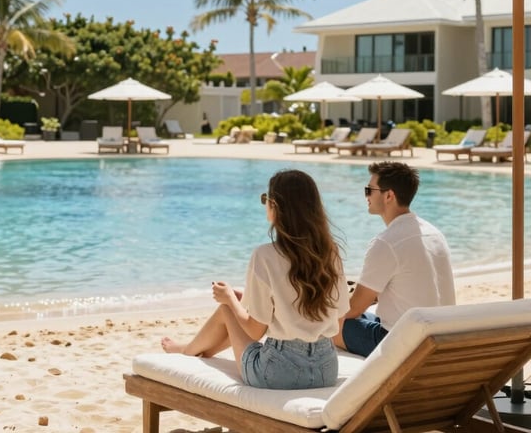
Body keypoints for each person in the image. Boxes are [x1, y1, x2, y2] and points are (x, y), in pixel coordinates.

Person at [161, 170, 350, 390]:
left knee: (227, 309)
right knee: (238, 303)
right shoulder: (330, 253)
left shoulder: (265, 255)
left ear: (275, 206)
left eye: (265, 199)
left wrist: (230, 299)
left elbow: (254, 331)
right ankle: (198, 350)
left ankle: (188, 351)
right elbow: (338, 321)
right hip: (326, 369)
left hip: (280, 371)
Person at [333, 161, 455, 358]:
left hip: (404, 343)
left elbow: (353, 309)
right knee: (363, 316)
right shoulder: (434, 233)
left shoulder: (386, 242)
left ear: (389, 195)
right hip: (440, 335)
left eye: (369, 190)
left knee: (331, 325)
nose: (366, 196)